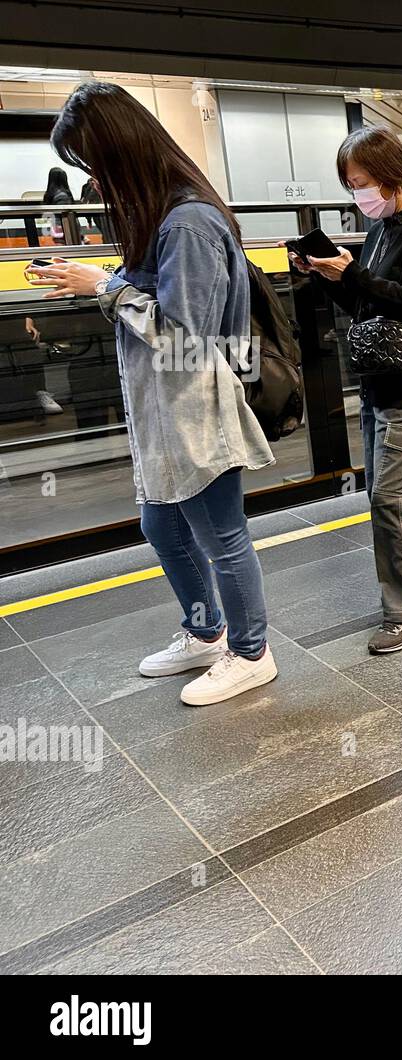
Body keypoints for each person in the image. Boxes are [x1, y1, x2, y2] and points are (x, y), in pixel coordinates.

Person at [34, 81, 277, 706]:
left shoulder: (188, 222)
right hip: (161, 410)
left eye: (97, 164)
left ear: (122, 154)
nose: (96, 180)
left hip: (196, 405)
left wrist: (104, 286)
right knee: (162, 528)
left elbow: (183, 338)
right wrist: (103, 283)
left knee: (221, 534)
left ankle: (252, 653)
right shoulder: (161, 215)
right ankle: (205, 631)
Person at [294, 125, 402, 655]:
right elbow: (370, 309)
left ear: (390, 177)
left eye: (362, 182)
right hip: (379, 375)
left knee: (388, 496)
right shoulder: (383, 228)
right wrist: (327, 276)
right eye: (350, 185)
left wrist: (354, 275)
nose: (358, 195)